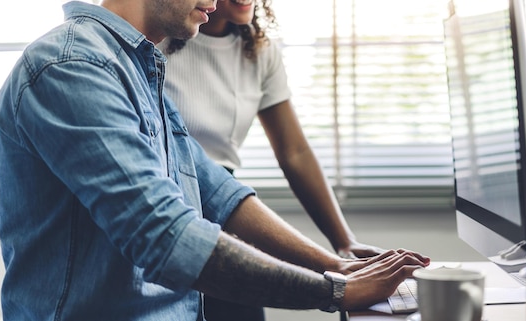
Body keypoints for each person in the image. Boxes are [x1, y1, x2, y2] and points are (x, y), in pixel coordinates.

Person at [0, 0, 430, 320]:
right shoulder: (72, 65)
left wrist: (334, 263)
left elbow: (217, 192)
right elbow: (163, 235)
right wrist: (334, 291)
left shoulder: (139, 67)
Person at [159, 2, 390, 318]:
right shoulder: (156, 43)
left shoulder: (258, 51)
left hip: (225, 212)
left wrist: (343, 242)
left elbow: (294, 151)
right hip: (167, 209)